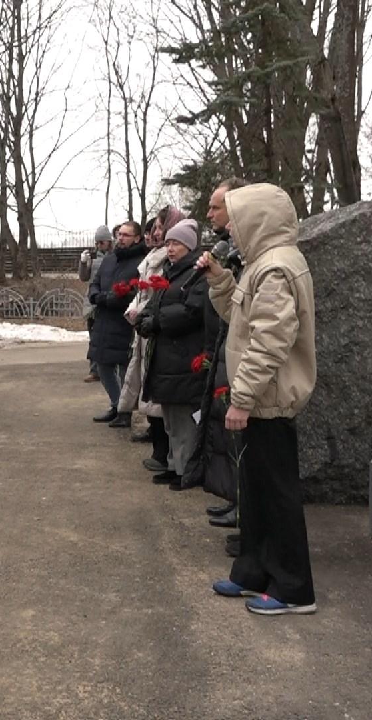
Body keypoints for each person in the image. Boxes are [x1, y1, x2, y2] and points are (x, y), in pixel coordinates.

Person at [202, 183, 318, 616]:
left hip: (267, 401)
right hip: (259, 400)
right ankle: (252, 572)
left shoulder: (275, 268)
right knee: (254, 494)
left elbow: (270, 339)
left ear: (257, 218)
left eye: (234, 216)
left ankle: (293, 589)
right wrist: (220, 281)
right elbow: (242, 321)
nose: (229, 226)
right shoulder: (261, 266)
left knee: (276, 495)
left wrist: (242, 397)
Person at [183, 178, 250, 541]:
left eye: (215, 207)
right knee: (227, 442)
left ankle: (246, 512)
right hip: (222, 347)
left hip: (238, 359)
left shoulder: (257, 259)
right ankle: (236, 501)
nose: (208, 213)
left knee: (243, 446)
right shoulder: (228, 250)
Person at [135, 219, 208, 490]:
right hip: (166, 358)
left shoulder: (198, 272)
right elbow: (155, 304)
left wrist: (156, 320)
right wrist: (144, 318)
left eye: (175, 243)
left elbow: (193, 309)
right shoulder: (171, 271)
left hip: (183, 358)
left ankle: (185, 470)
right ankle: (173, 464)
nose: (170, 248)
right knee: (169, 420)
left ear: (189, 245)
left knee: (183, 422)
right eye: (168, 243)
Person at [118, 217, 169, 455]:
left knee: (154, 387)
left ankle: (163, 449)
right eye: (153, 229)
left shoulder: (167, 259)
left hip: (155, 328)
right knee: (142, 378)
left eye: (159, 228)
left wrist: (143, 311)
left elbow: (162, 294)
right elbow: (141, 290)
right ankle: (154, 433)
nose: (154, 234)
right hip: (142, 326)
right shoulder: (150, 259)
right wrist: (134, 308)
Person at [87, 221, 148, 423]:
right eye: (119, 234)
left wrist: (110, 299)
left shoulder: (142, 261)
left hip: (125, 322)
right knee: (102, 365)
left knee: (125, 369)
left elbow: (138, 291)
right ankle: (116, 404)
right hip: (103, 320)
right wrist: (98, 296)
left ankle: (126, 412)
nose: (121, 238)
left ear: (137, 238)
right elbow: (94, 284)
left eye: (126, 235)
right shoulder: (109, 259)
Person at [80, 226, 113, 383]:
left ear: (109, 242)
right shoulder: (92, 259)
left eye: (102, 242)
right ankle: (94, 370)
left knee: (107, 337)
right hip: (93, 304)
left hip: (107, 301)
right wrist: (83, 263)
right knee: (94, 338)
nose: (99, 245)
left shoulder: (115, 257)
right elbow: (83, 277)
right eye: (97, 242)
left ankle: (107, 369)